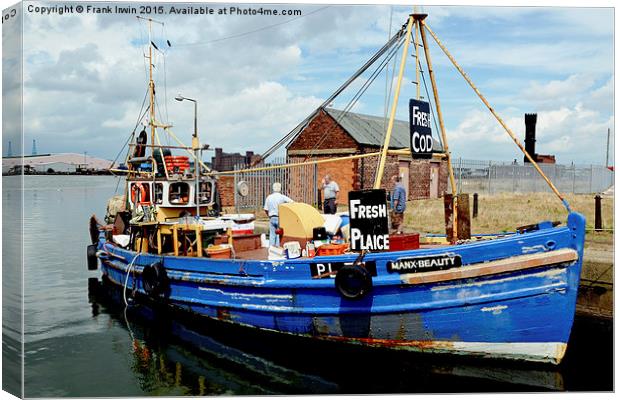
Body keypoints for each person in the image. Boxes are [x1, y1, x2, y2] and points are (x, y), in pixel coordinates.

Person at [263, 182, 293, 247]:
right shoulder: (282, 197)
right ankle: (277, 249)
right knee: (278, 234)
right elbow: (292, 202)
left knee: (272, 234)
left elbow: (265, 209)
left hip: (271, 217)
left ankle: (271, 249)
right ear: (280, 188)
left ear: (273, 188)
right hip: (279, 217)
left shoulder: (269, 197)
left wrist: (269, 215)